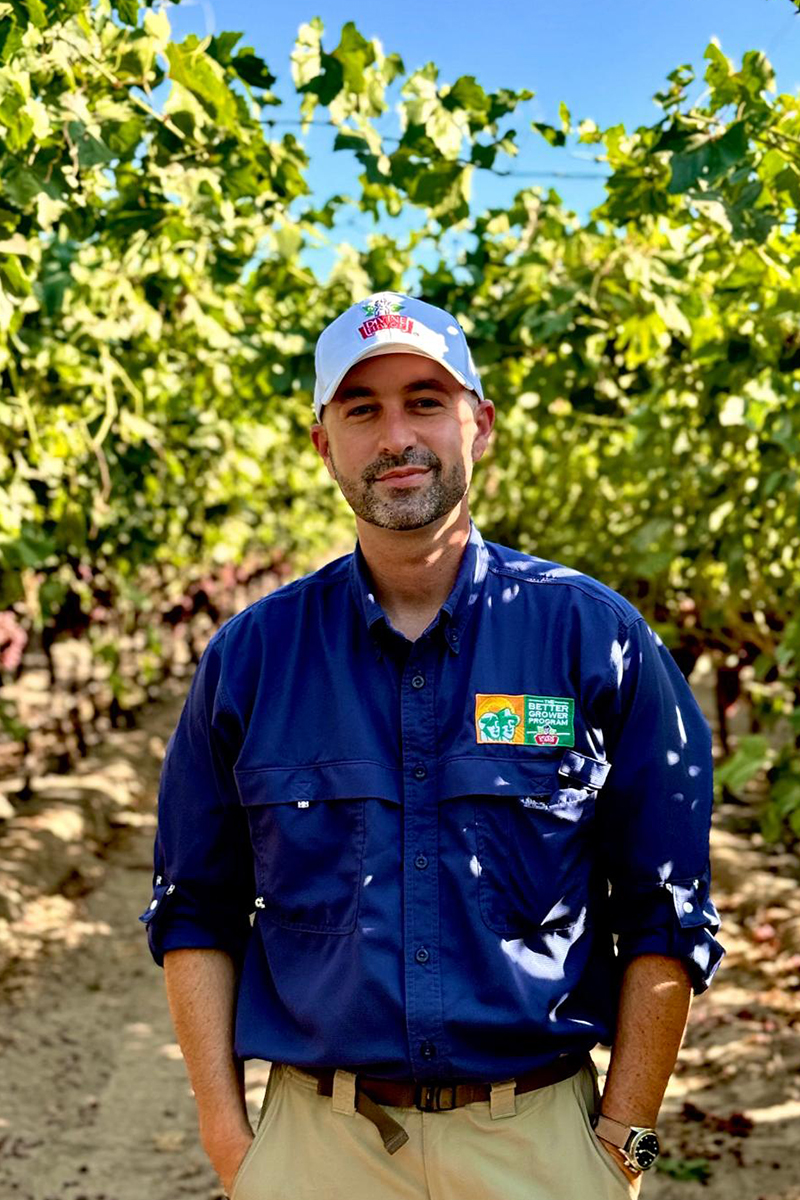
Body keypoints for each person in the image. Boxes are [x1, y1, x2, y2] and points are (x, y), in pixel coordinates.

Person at [141, 292, 724, 1200]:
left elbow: (665, 905)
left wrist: (624, 1141)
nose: (395, 435)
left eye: (425, 400)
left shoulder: (593, 640)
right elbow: (197, 908)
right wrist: (230, 1139)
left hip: (540, 1148)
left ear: (478, 425)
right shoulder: (250, 659)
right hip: (316, 1151)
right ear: (322, 440)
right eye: (361, 408)